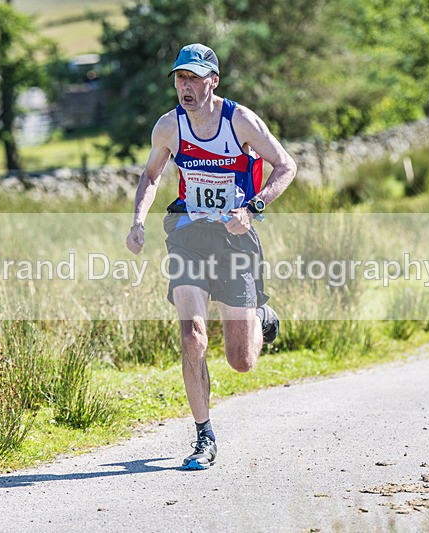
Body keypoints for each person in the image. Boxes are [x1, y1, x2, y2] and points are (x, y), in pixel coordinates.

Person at [125, 43, 297, 470]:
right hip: (187, 236)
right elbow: (151, 175)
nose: (186, 86)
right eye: (180, 78)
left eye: (194, 78)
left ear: (213, 81)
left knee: (241, 361)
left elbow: (286, 166)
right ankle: (204, 435)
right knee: (192, 335)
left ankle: (260, 313)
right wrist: (138, 221)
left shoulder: (240, 120)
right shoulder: (169, 126)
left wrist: (254, 207)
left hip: (235, 237)